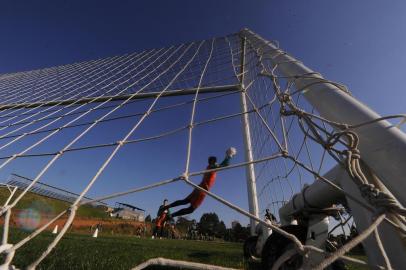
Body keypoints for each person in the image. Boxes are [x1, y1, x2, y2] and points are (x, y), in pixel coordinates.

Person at [163, 147, 237, 218]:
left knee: (185, 201)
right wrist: (229, 156)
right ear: (212, 162)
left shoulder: (209, 167)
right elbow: (224, 165)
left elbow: (221, 165)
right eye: (215, 162)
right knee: (191, 209)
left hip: (199, 187)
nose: (216, 163)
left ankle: (167, 207)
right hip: (203, 190)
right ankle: (171, 215)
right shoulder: (212, 167)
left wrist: (226, 157)